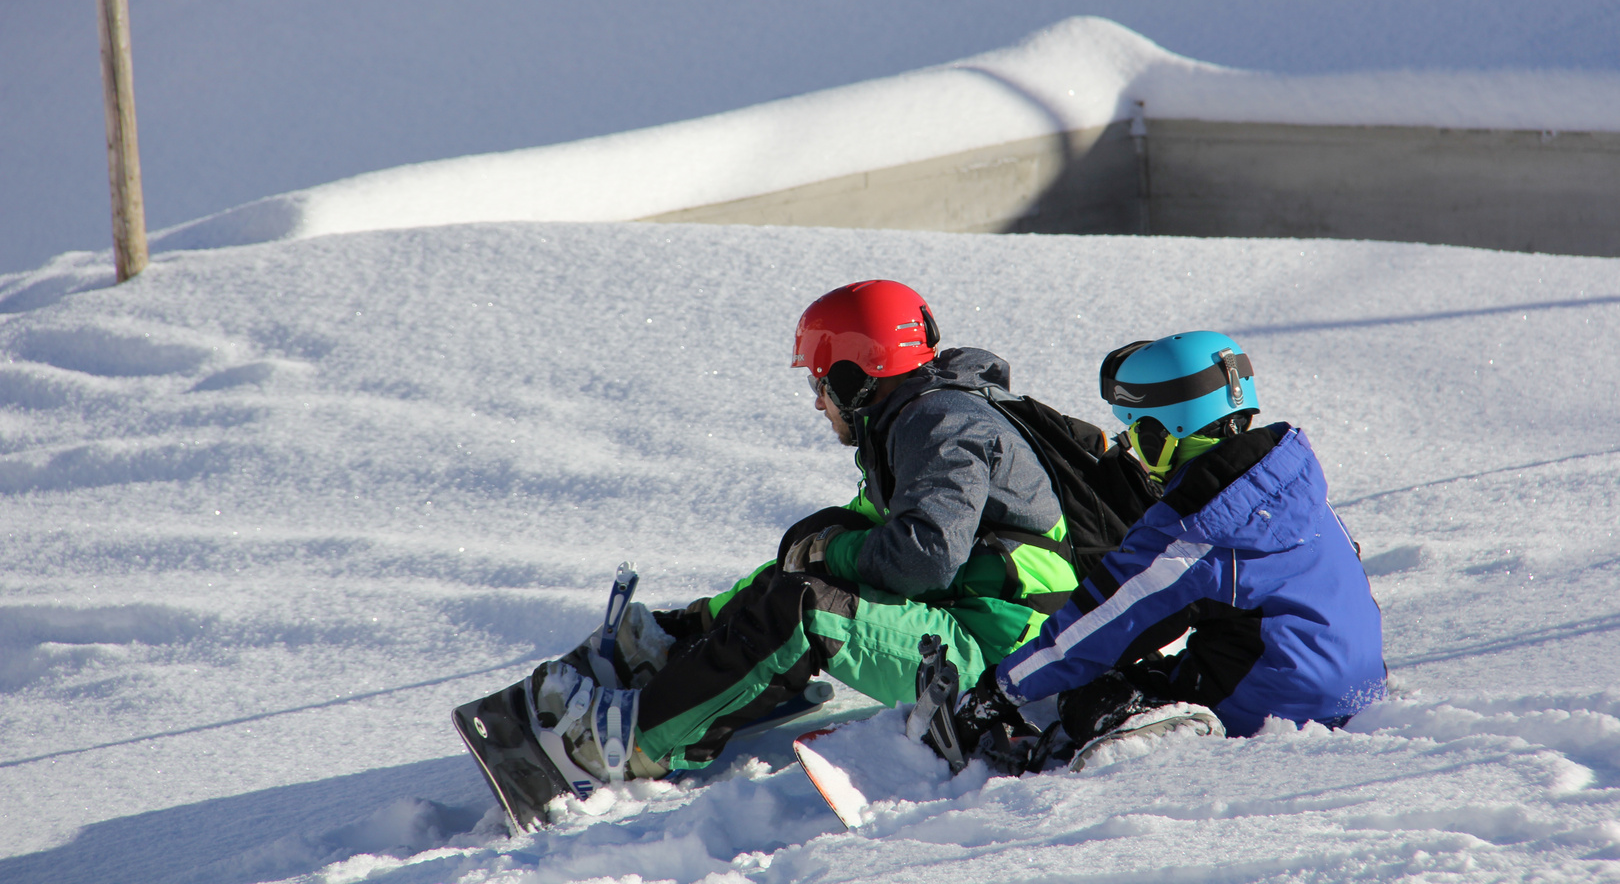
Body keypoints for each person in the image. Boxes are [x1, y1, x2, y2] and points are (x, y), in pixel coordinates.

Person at [460, 279, 1088, 803]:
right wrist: (700, 619)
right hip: (969, 626)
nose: (818, 403)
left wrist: (825, 555)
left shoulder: (942, 425)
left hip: (1001, 662)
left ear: (857, 376)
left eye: (822, 383)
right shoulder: (919, 418)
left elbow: (921, 558)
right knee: (807, 559)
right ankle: (678, 658)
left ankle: (621, 745)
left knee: (807, 608)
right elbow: (843, 548)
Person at [952, 331, 1387, 768]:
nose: (1133, 452)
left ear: (1167, 433)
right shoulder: (1289, 477)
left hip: (1275, 704)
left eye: (1139, 435)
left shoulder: (1198, 527)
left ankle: (1179, 741)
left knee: (1093, 692)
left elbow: (1098, 625)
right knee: (1158, 667)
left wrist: (997, 692)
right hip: (1357, 686)